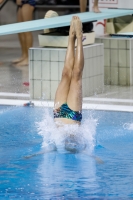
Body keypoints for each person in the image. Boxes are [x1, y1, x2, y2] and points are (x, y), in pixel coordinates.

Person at [53, 16, 84, 126]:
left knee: (65, 74)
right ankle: (79, 36)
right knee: (76, 76)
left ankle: (71, 37)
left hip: (58, 114)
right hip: (73, 119)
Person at [13, 0, 35, 66]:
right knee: (20, 30)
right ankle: (24, 55)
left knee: (26, 31)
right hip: (21, 3)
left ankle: (28, 58)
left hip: (27, 2)